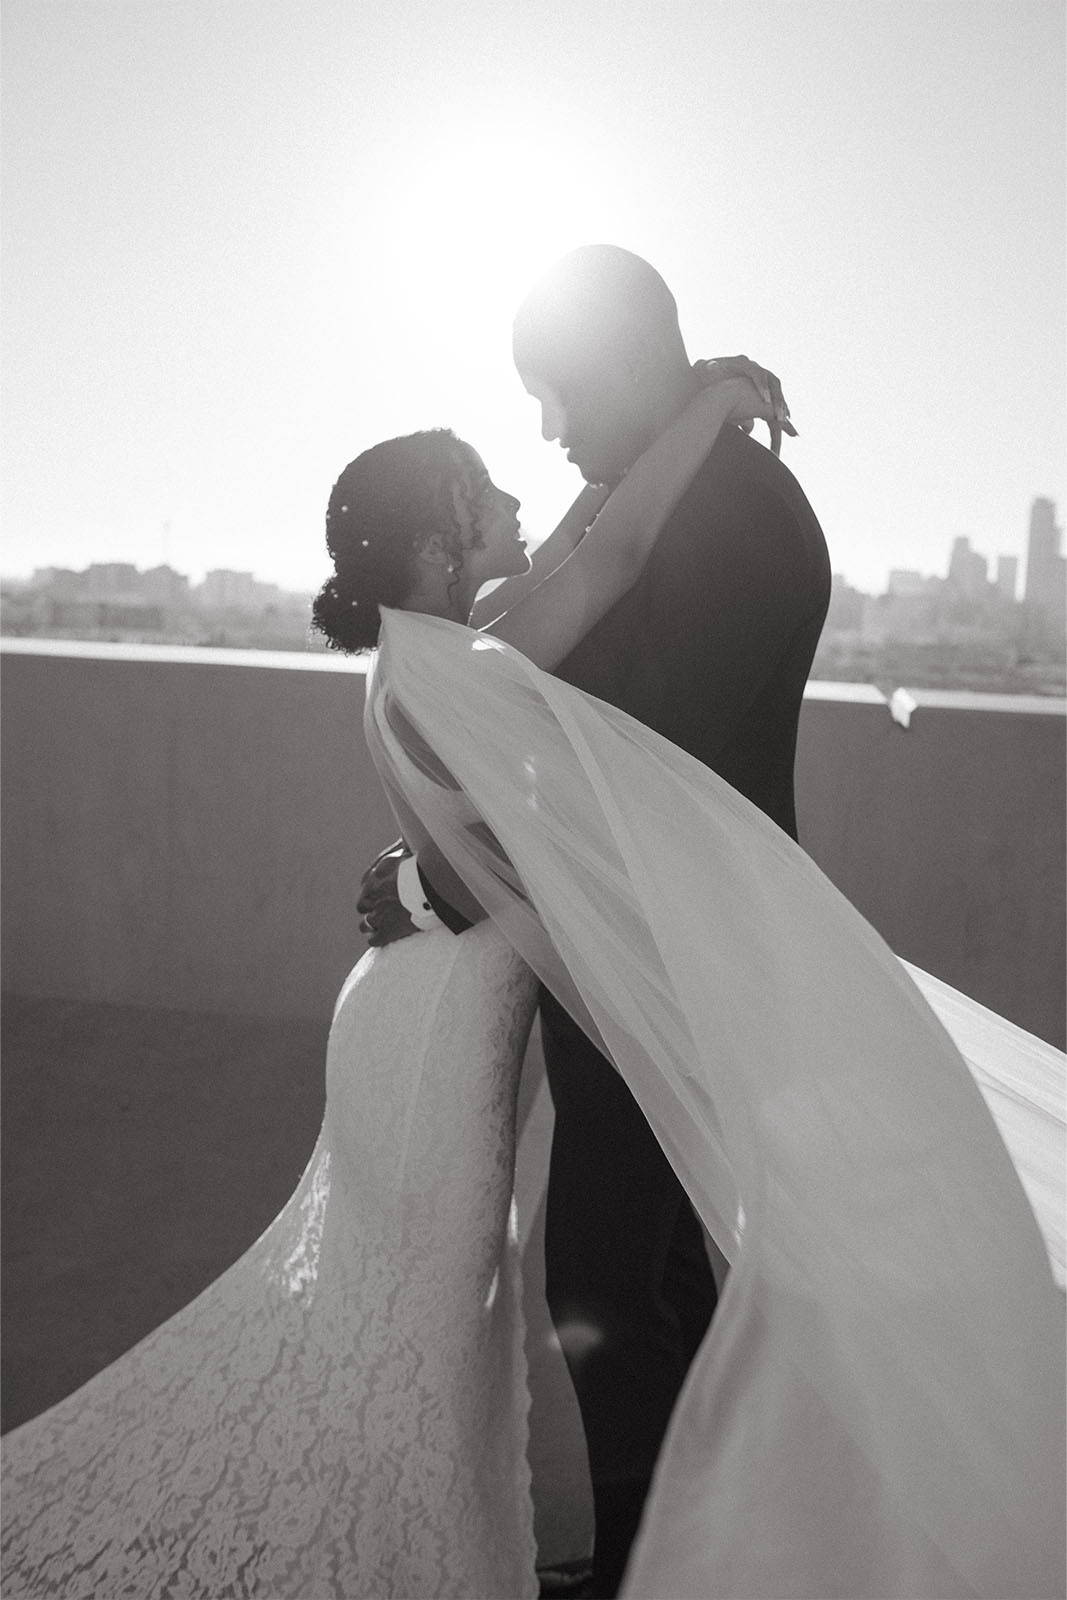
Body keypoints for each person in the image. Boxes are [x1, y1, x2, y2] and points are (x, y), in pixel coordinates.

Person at [0, 370, 769, 1600]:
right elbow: (615, 556)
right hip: (434, 1049)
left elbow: (581, 537)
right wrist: (711, 400)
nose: (525, 496)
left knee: (428, 1335)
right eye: (485, 494)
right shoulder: (469, 656)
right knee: (420, 1339)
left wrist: (648, 434)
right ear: (432, 544)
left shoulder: (442, 646)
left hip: (418, 1014)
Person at [358, 242, 830, 1597]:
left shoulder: (728, 515)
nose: (551, 434)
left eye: (556, 396)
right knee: (632, 1280)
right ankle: (671, 1558)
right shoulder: (675, 492)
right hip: (635, 960)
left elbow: (631, 768)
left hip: (682, 966)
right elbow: (539, 702)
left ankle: (656, 1567)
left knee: (623, 1287)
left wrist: (429, 882)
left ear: (625, 364)